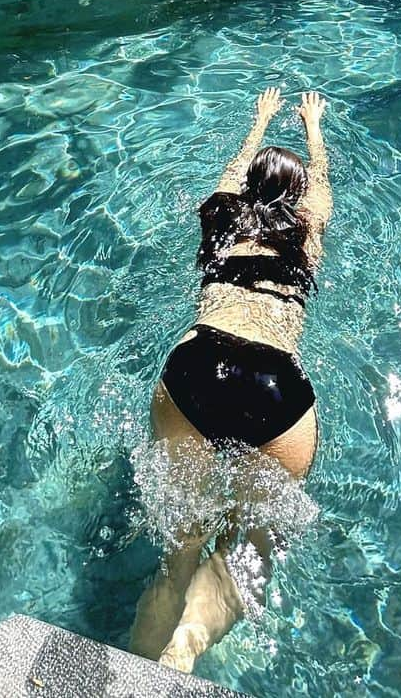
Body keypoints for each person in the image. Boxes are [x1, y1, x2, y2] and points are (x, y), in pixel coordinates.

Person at [131, 88, 332, 673]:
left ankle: (133, 673)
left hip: (197, 367)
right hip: (275, 386)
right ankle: (186, 649)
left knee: (179, 550)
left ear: (245, 188)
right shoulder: (307, 232)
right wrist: (311, 128)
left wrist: (259, 122)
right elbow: (318, 183)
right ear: (294, 201)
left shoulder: (219, 216)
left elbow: (235, 170)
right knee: (251, 547)